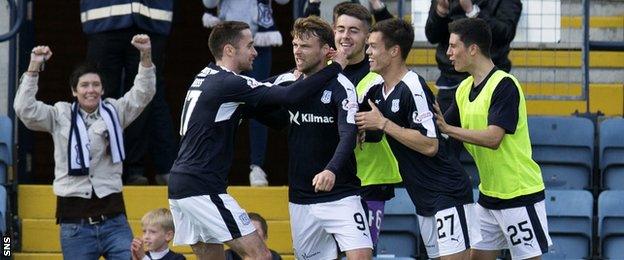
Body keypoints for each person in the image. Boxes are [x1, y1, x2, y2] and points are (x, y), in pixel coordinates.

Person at [167, 21, 348, 260]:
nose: (255, 52)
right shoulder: (229, 83)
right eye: (249, 46)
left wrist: (290, 78)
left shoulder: (208, 76)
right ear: (230, 50)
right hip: (203, 186)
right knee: (260, 255)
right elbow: (290, 96)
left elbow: (266, 98)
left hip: (182, 185)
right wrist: (335, 67)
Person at [14, 35, 156, 259]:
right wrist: (33, 67)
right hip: (74, 227)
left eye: (96, 85)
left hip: (114, 223)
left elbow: (144, 93)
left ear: (102, 90)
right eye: (84, 85)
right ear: (74, 91)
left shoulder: (115, 111)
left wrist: (145, 54)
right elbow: (24, 109)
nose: (91, 90)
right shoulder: (60, 114)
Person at [355, 18, 480, 260]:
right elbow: (359, 121)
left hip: (447, 191)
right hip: (422, 197)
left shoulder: (413, 87)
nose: (367, 52)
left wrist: (383, 124)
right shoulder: (375, 90)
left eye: (373, 46)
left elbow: (430, 144)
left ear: (394, 51)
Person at [433, 18, 552, 259]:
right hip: (488, 196)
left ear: (473, 49)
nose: (448, 53)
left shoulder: (505, 85)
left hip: (519, 194)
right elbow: (440, 132)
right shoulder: (463, 89)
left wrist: (449, 129)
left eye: (453, 46)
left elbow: (493, 138)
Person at [263, 16, 372, 260]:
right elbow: (253, 100)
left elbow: (348, 133)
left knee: (361, 256)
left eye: (305, 46)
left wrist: (331, 170)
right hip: (302, 198)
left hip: (341, 193)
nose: (297, 52)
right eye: (295, 45)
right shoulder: (287, 81)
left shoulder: (341, 86)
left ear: (326, 50)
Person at [304, 2, 401, 247]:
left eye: (354, 30)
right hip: (327, 175)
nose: (345, 36)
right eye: (340, 29)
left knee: (362, 251)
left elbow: (375, 131)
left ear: (368, 36)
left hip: (370, 180)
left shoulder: (378, 76)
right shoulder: (320, 71)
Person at [81, 0, 177, 185]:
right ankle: (99, 167)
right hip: (102, 16)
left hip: (150, 16)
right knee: (97, 96)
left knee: (148, 96)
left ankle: (135, 170)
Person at [202, 0, 290, 187]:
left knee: (259, 102)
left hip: (260, 38)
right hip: (229, 38)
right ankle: (211, 164)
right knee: (222, 101)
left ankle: (257, 166)